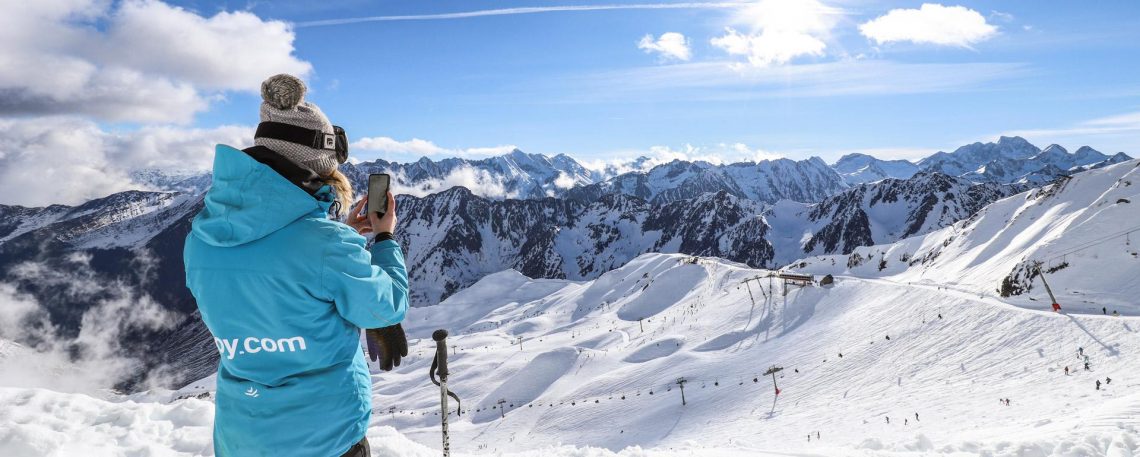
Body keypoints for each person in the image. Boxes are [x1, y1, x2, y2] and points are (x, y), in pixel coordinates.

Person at [184, 74, 409, 457]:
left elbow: (272, 275)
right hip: (324, 439)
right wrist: (384, 239)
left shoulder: (201, 237)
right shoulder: (324, 246)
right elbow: (385, 305)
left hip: (243, 438)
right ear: (316, 167)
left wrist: (338, 236)